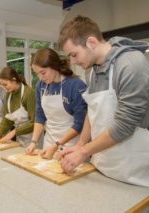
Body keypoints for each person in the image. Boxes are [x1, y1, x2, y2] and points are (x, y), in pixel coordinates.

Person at [57, 15, 149, 187]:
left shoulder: (131, 64)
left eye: (74, 54)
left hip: (134, 168)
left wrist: (84, 151)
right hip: (102, 163)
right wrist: (81, 144)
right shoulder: (91, 70)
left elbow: (124, 125)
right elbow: (92, 111)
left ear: (91, 42)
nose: (72, 62)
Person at [26, 48, 87, 159]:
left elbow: (79, 124)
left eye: (43, 73)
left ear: (54, 66)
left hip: (71, 146)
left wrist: (56, 145)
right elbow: (40, 117)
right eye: (37, 74)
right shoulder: (40, 86)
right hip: (48, 143)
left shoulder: (75, 85)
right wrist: (33, 142)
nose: (40, 78)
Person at [0, 67, 39, 148]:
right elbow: (7, 119)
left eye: (5, 85)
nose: (4, 88)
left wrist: (14, 132)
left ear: (14, 80)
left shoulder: (29, 93)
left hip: (34, 137)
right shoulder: (9, 94)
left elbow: (35, 122)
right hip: (20, 136)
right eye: (2, 85)